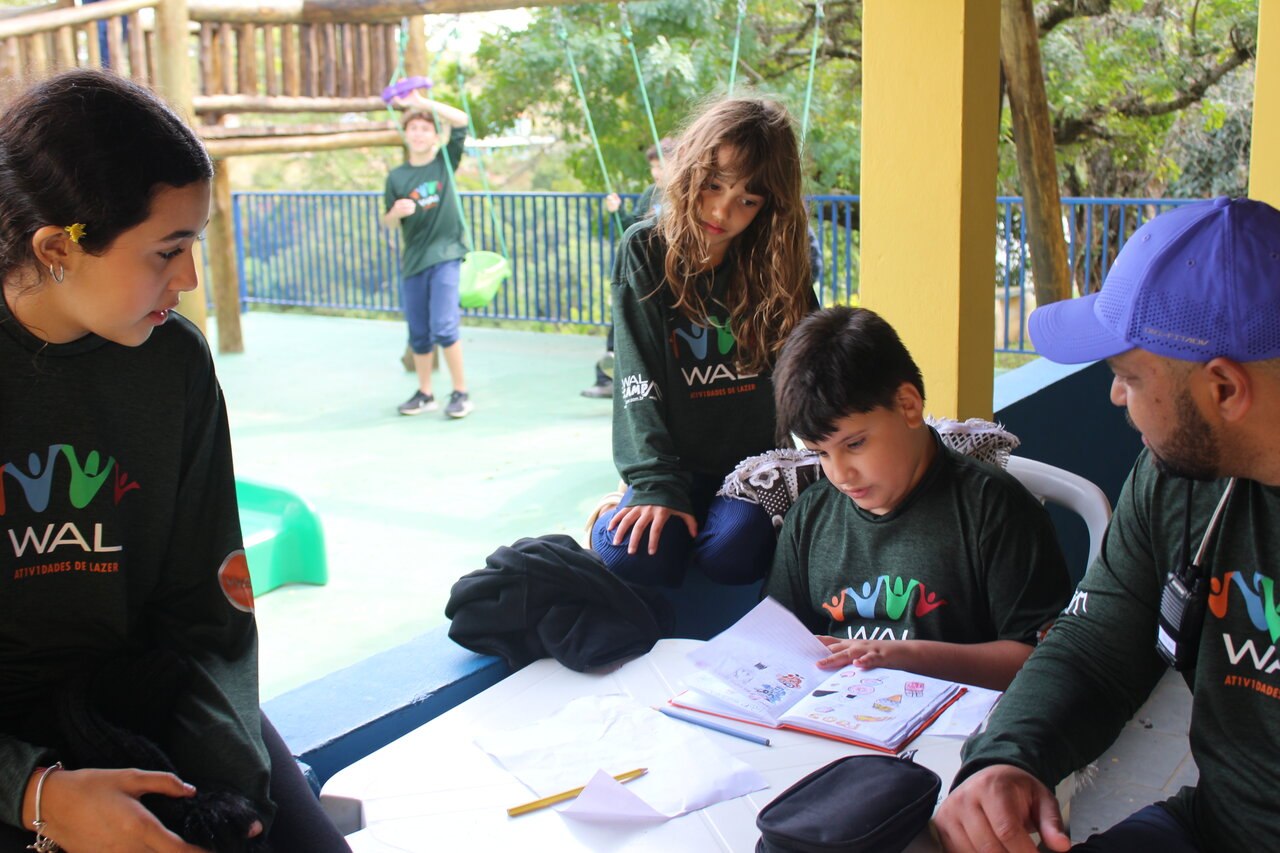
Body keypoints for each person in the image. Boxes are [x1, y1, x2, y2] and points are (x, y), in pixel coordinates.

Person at [0, 70, 349, 852]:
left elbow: (206, 610)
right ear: (57, 249)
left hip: (139, 692)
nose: (189, 280)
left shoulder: (172, 361)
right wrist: (36, 794)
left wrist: (230, 788)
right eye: (168, 251)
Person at [934, 197, 1280, 853]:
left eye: (1127, 376)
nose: (1116, 396)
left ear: (1225, 390)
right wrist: (1006, 756)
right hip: (1218, 825)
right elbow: (1100, 641)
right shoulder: (1180, 477)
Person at [764, 306, 1072, 690]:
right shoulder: (811, 516)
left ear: (908, 406)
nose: (840, 474)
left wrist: (905, 658)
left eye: (855, 444)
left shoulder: (995, 511)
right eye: (821, 453)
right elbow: (775, 643)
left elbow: (1039, 660)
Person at [590, 96, 817, 587]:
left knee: (733, 554)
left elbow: (811, 369)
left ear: (769, 206)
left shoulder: (778, 261)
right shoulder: (645, 248)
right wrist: (651, 482)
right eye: (713, 184)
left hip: (754, 470)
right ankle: (615, 501)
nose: (721, 210)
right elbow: (637, 377)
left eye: (747, 200)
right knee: (633, 555)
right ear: (690, 169)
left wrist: (837, 459)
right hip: (672, 466)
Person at [383, 97, 474, 419]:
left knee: (444, 327)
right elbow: (388, 221)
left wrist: (419, 101)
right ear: (405, 134)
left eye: (425, 128)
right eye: (413, 129)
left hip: (446, 255)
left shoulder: (444, 163)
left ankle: (461, 392)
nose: (419, 134)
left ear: (435, 136)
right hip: (414, 261)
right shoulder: (396, 177)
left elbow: (461, 120)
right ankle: (425, 393)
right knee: (419, 333)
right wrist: (396, 212)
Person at [582, 138, 675, 399]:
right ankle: (608, 377)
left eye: (660, 166)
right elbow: (632, 229)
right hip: (643, 272)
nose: (655, 173)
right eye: (653, 167)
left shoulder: (685, 193)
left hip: (669, 273)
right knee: (623, 318)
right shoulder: (650, 194)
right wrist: (618, 211)